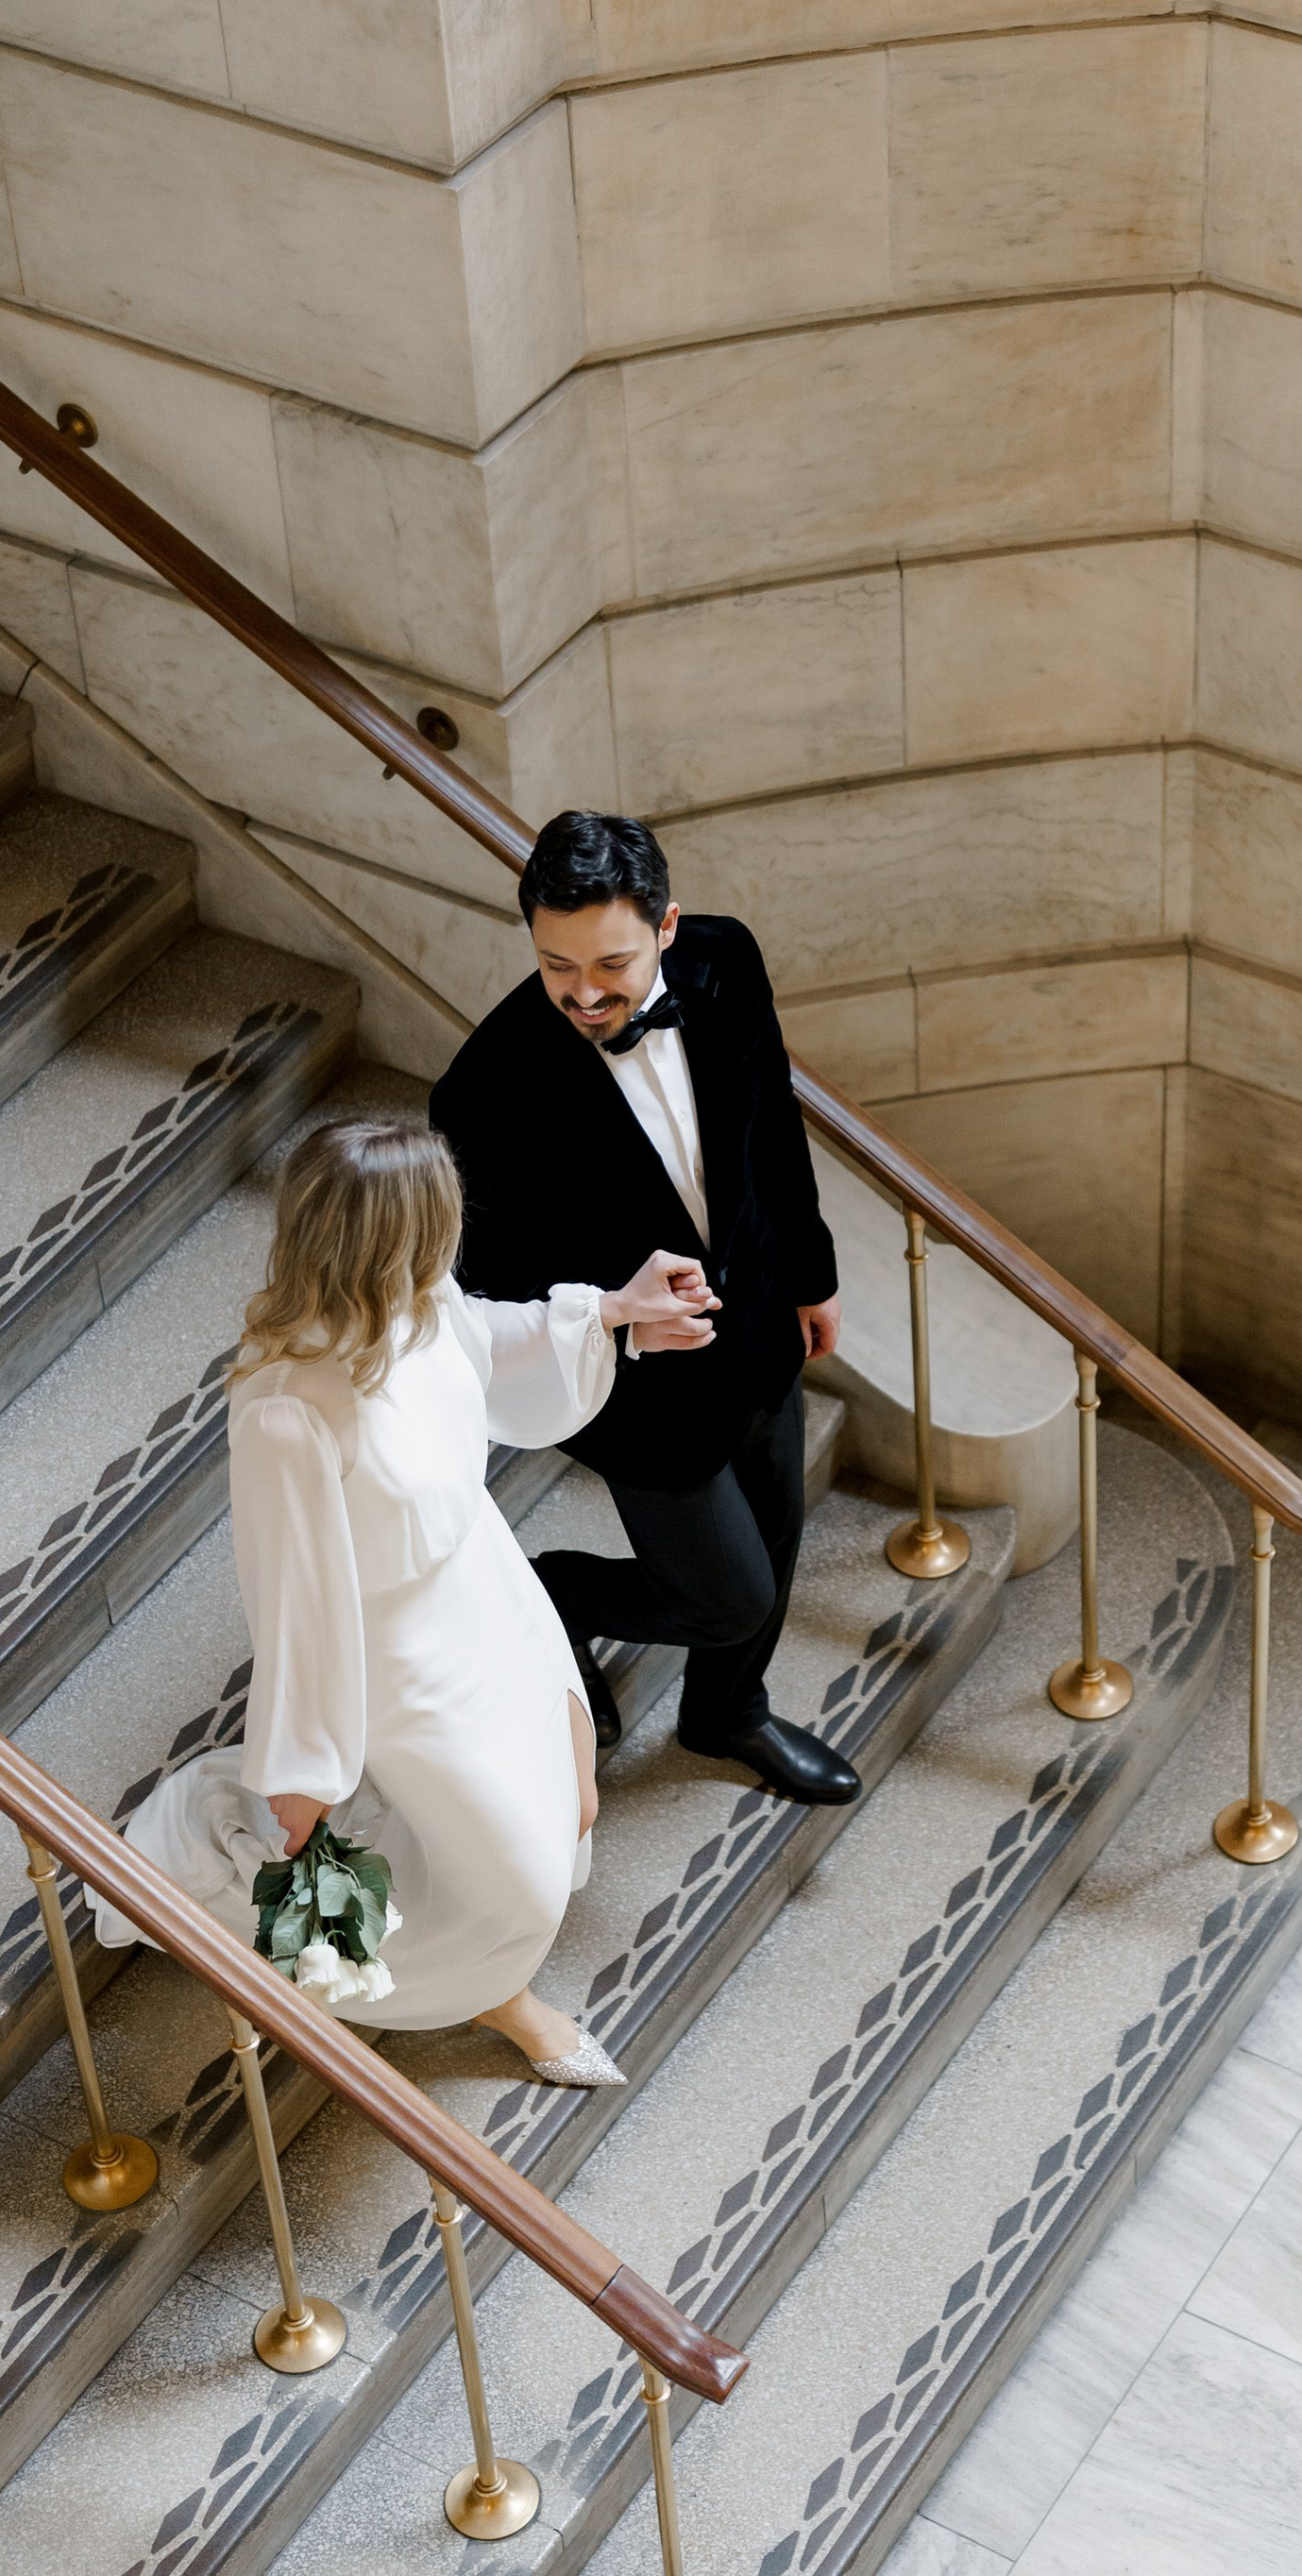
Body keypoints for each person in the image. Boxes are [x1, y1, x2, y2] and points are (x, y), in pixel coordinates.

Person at [97, 1116, 711, 2082]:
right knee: (511, 1872)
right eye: (435, 1223)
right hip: (398, 1657)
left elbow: (491, 1338)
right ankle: (494, 1997)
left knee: (572, 1800)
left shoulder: (419, 1301)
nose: (450, 1243)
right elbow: (293, 1595)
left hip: (488, 1597)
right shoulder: (285, 1404)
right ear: (382, 1237)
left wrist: (614, 1313)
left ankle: (480, 1976)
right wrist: (305, 1767)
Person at [428, 810, 861, 1807]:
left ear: (666, 927)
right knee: (727, 1592)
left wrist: (809, 1269)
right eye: (554, 967)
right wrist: (617, 1314)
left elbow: (770, 1124)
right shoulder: (486, 1087)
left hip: (756, 1316)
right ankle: (556, 1596)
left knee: (779, 1524)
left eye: (611, 964)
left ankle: (727, 1713)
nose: (583, 994)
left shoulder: (727, 959)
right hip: (633, 1383)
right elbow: (485, 1279)